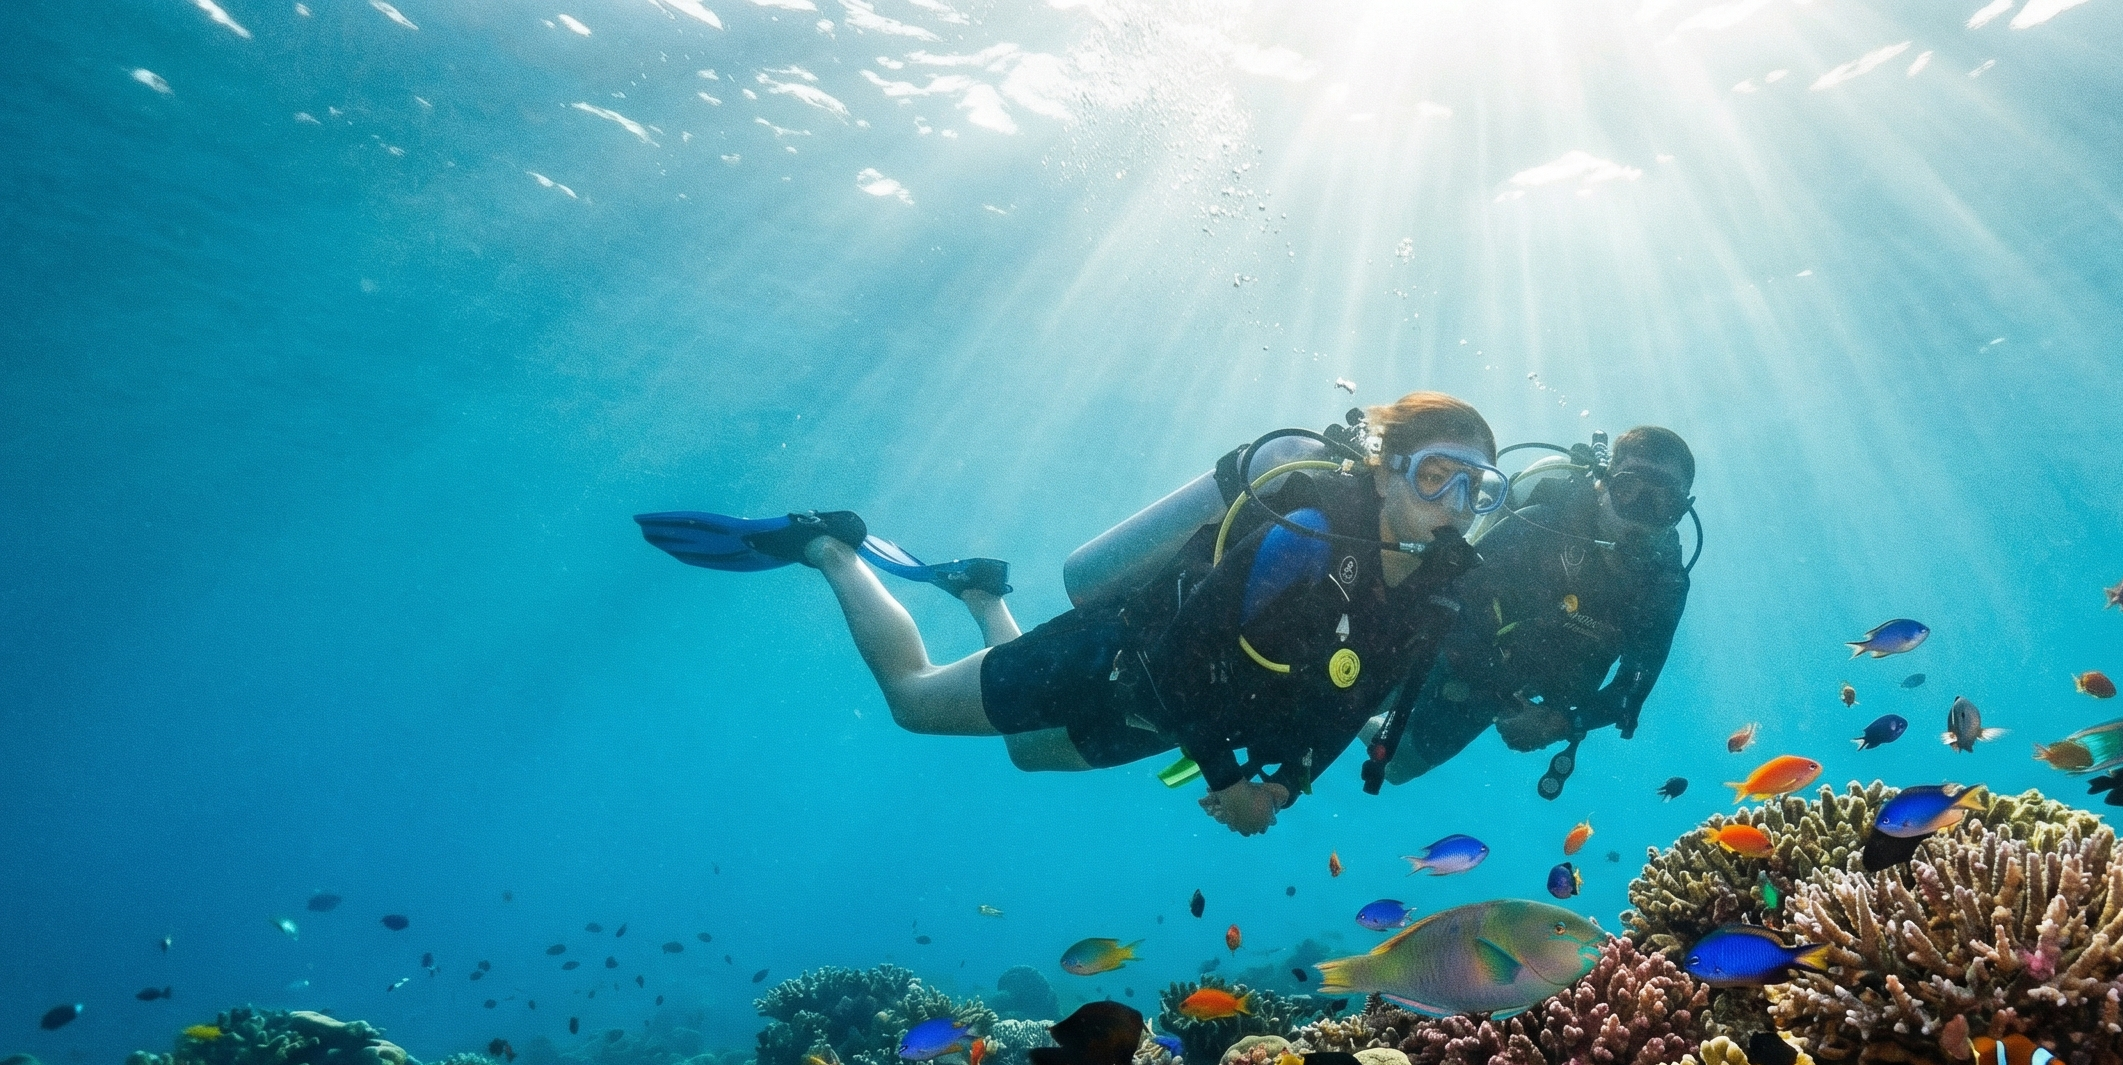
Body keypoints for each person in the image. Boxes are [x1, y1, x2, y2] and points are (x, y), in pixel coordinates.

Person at [635, 392, 1506, 837]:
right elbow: (1191, 648)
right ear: (1389, 468)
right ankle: (830, 546)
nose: (1458, 502)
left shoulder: (1433, 588)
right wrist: (1226, 779)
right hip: (1114, 661)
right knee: (912, 701)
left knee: (1026, 757)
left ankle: (983, 597)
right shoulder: (1310, 526)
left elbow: (1357, 704)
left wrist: (1287, 781)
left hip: (1172, 720)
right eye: (1439, 475)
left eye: (1479, 487)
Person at [1377, 425, 1695, 792]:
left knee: (1399, 767)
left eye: (1664, 501)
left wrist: (1564, 722)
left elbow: (1632, 688)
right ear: (1602, 486)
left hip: (1515, 687)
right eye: (1629, 489)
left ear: (1682, 510)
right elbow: (1449, 588)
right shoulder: (1541, 524)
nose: (1642, 513)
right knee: (1362, 692)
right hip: (1459, 647)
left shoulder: (1665, 587)